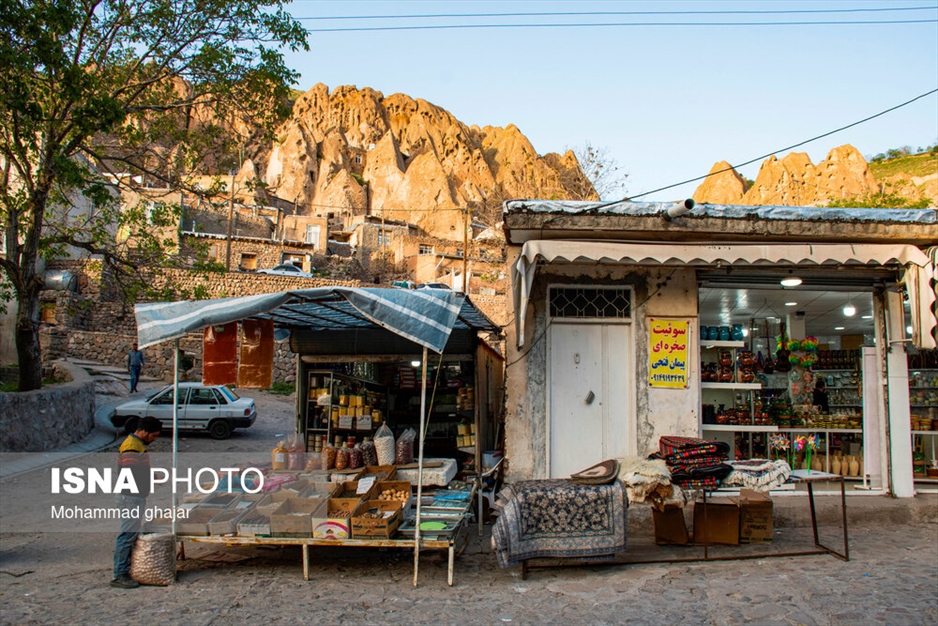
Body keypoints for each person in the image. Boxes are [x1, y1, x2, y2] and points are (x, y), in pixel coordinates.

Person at [111, 416, 161, 589]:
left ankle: (125, 569)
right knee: (127, 535)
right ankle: (120, 574)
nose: (154, 440)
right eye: (153, 436)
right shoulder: (131, 447)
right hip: (130, 497)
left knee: (130, 533)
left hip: (134, 496)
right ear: (144, 432)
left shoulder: (137, 445)